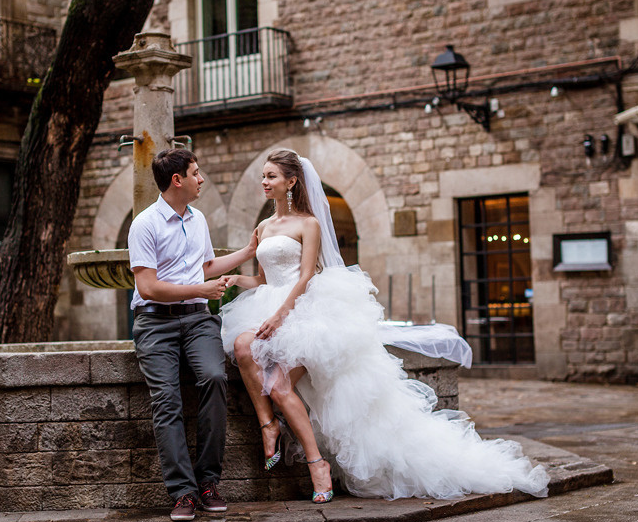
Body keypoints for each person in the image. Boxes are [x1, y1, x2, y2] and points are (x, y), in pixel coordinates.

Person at [219, 149, 550, 502]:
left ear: (291, 181)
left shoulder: (309, 223)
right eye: (263, 176)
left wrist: (281, 314)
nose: (264, 182)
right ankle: (269, 424)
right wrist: (238, 280)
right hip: (268, 303)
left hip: (304, 310)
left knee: (279, 382)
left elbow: (304, 278)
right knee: (242, 346)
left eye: (271, 176)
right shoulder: (263, 227)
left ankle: (318, 465)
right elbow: (263, 278)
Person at [129, 148, 257, 522]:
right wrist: (201, 290)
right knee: (166, 400)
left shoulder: (197, 218)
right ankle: (182, 492)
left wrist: (248, 251)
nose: (202, 179)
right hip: (155, 322)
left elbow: (206, 266)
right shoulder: (144, 224)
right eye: (196, 173)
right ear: (177, 181)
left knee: (215, 377)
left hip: (198, 320)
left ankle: (208, 483)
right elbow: (149, 288)